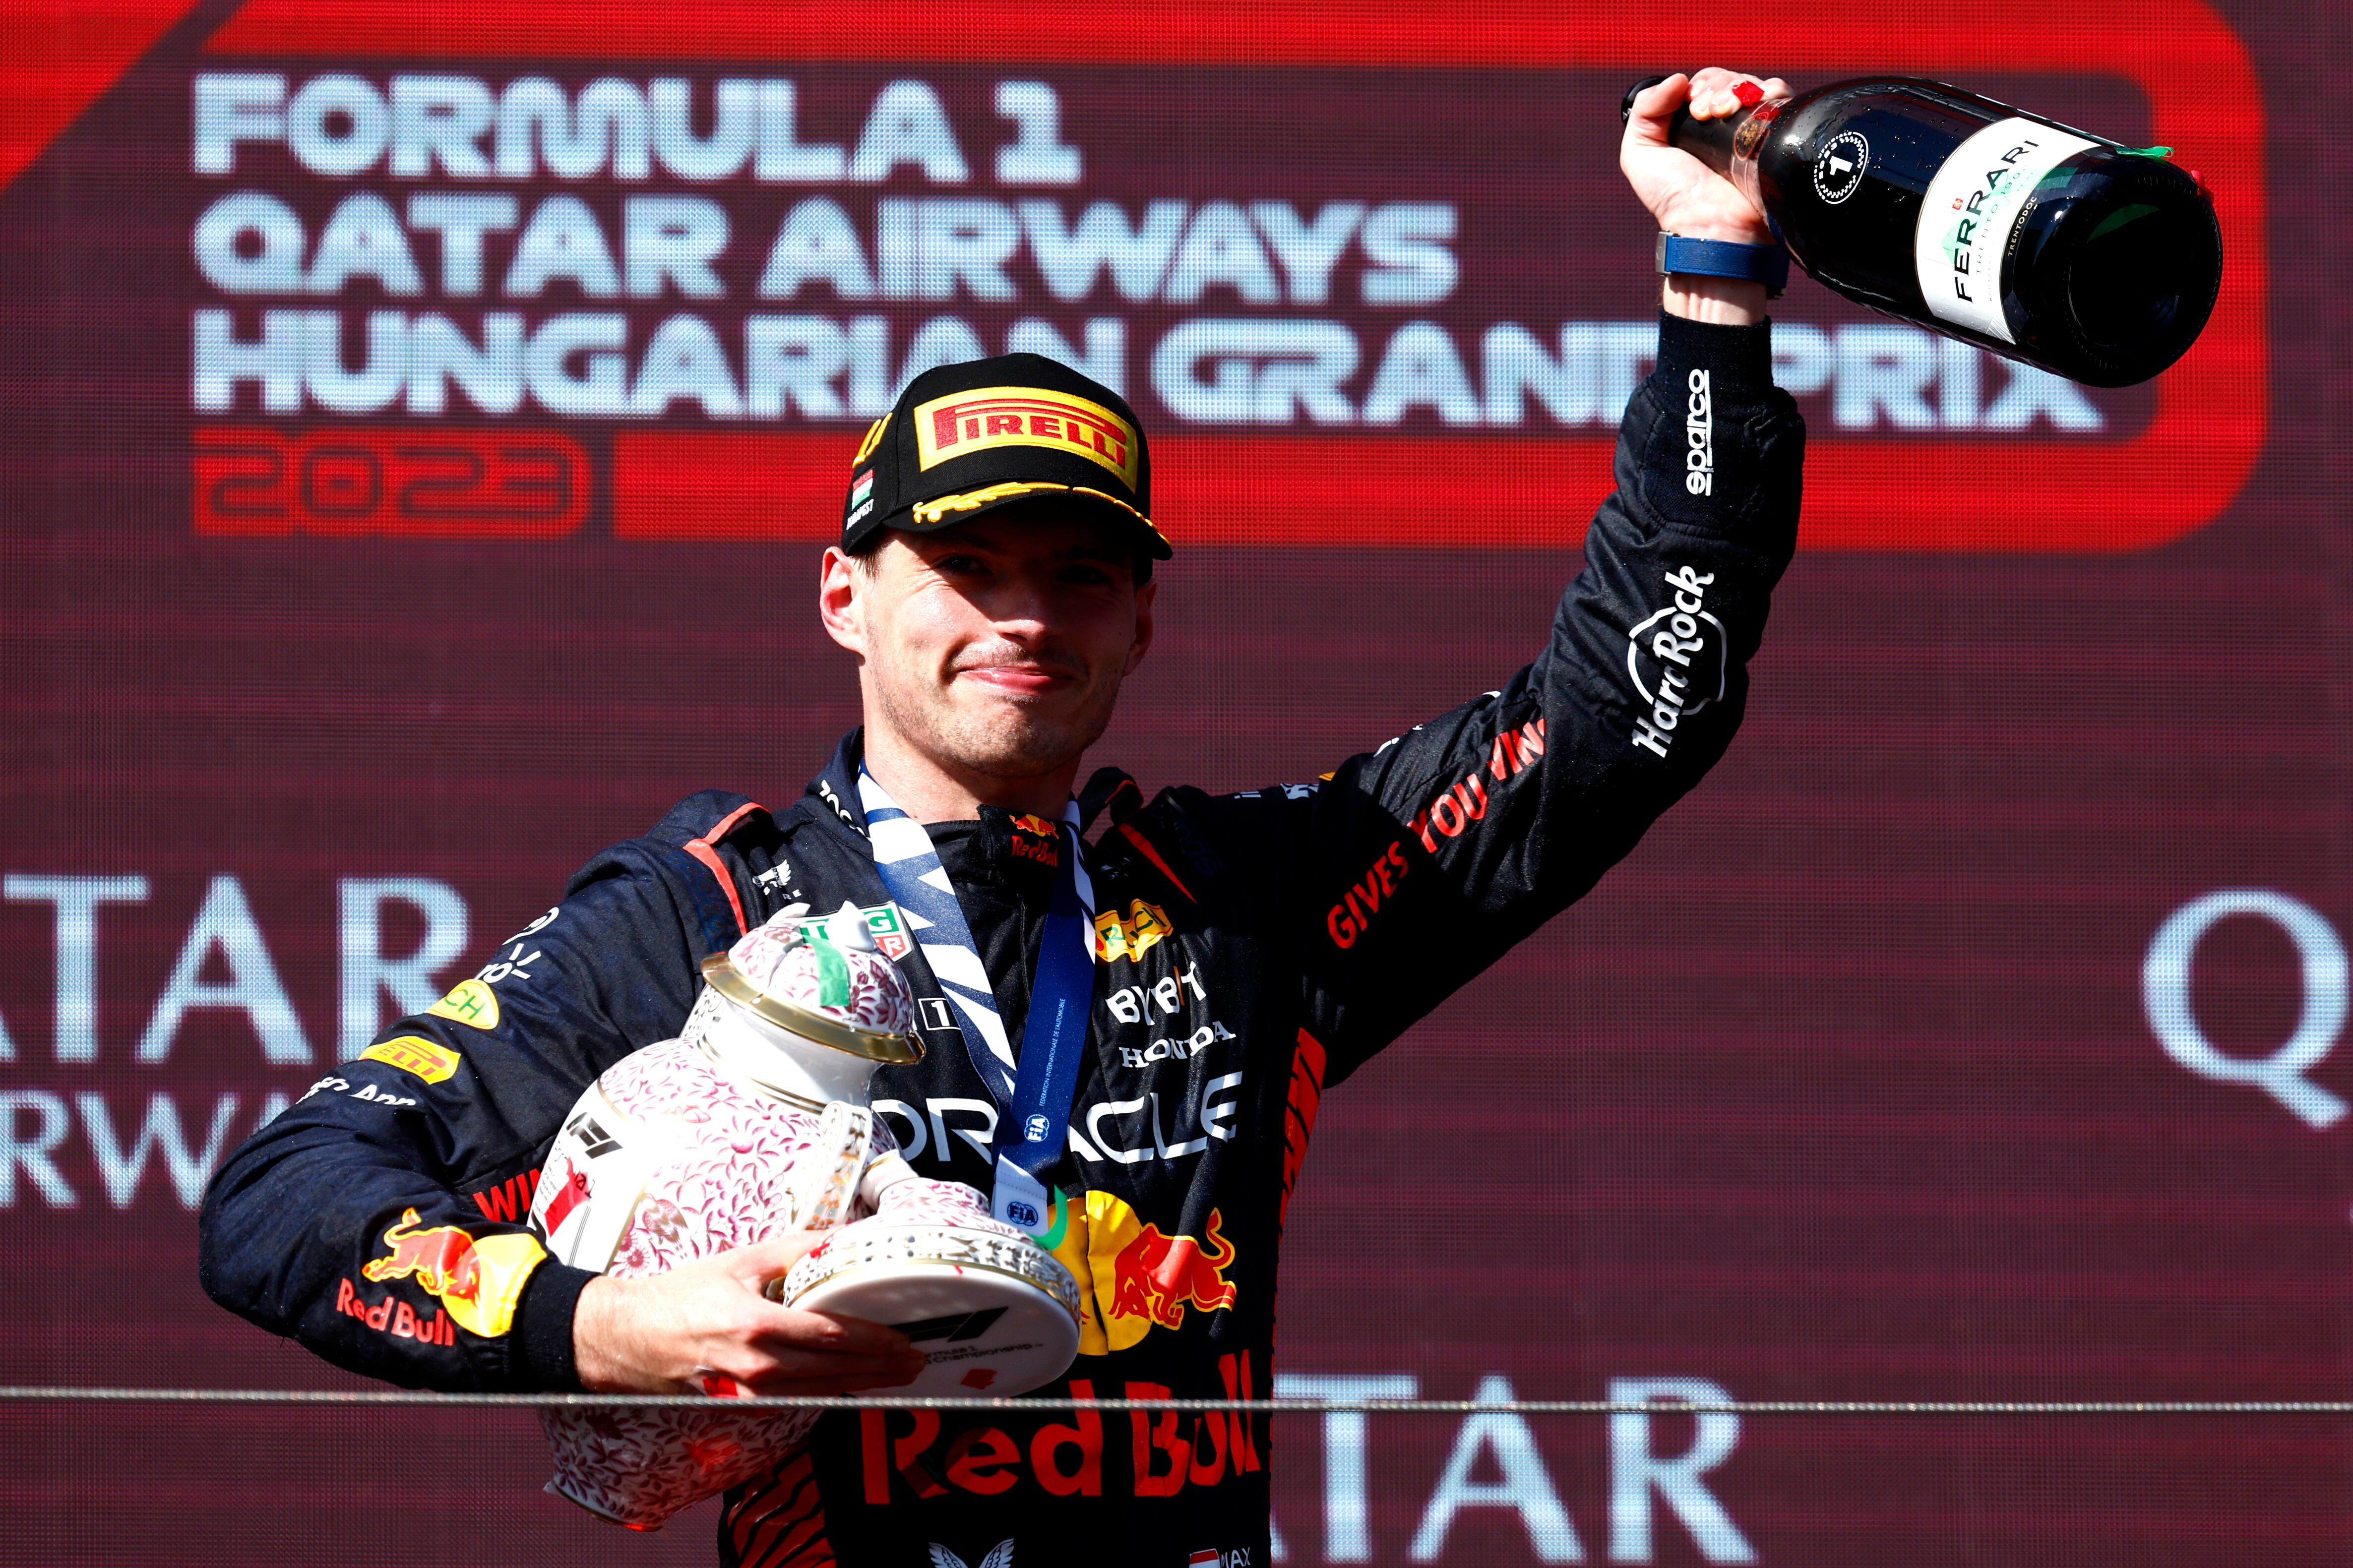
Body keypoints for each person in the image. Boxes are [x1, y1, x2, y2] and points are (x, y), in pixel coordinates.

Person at [200, 68, 1805, 1568]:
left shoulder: (1253, 898)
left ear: (1142, 622)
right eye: (970, 567)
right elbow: (286, 1198)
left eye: (1081, 573)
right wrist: (600, 1322)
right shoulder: (705, 910)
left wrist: (1715, 278)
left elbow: (1619, 719)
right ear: (845, 594)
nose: (1025, 615)